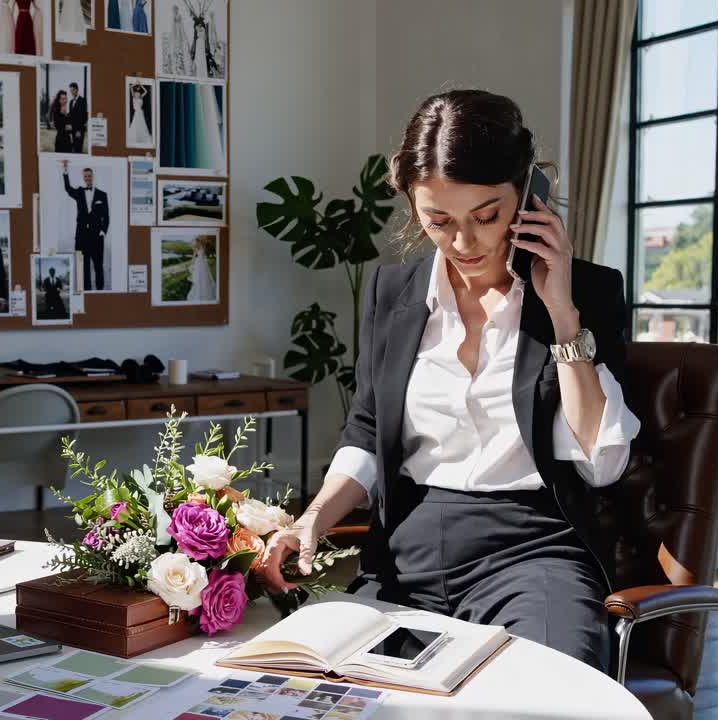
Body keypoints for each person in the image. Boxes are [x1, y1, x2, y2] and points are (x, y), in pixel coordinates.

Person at [258, 89, 642, 672]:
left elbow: (601, 462)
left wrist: (561, 312)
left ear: (528, 194)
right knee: (323, 689)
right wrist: (311, 520)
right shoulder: (393, 294)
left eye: (487, 216)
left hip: (534, 551)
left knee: (546, 694)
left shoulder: (586, 291)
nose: (465, 243)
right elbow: (366, 431)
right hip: (405, 554)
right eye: (439, 221)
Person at [61, 159, 108, 291]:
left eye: (89, 176)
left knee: (98, 265)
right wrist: (65, 171)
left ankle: (100, 291)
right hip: (81, 236)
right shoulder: (79, 192)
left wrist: (103, 231)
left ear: (93, 177)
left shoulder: (102, 195)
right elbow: (67, 188)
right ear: (83, 177)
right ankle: (86, 291)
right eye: (85, 176)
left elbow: (107, 216)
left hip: (97, 237)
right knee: (83, 266)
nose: (87, 178)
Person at [186, 235, 215, 302]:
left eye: (197, 241)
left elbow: (203, 255)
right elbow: (194, 257)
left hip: (202, 264)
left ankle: (203, 289)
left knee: (203, 277)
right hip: (199, 263)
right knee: (198, 277)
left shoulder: (202, 247)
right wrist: (192, 263)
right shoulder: (197, 248)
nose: (197, 243)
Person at [67, 81, 88, 151]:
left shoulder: (83, 100)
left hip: (79, 130)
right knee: (73, 149)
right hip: (72, 130)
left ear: (77, 90)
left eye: (73, 90)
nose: (72, 92)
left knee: (78, 149)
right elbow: (70, 115)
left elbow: (84, 116)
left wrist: (79, 130)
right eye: (70, 91)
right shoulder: (71, 102)